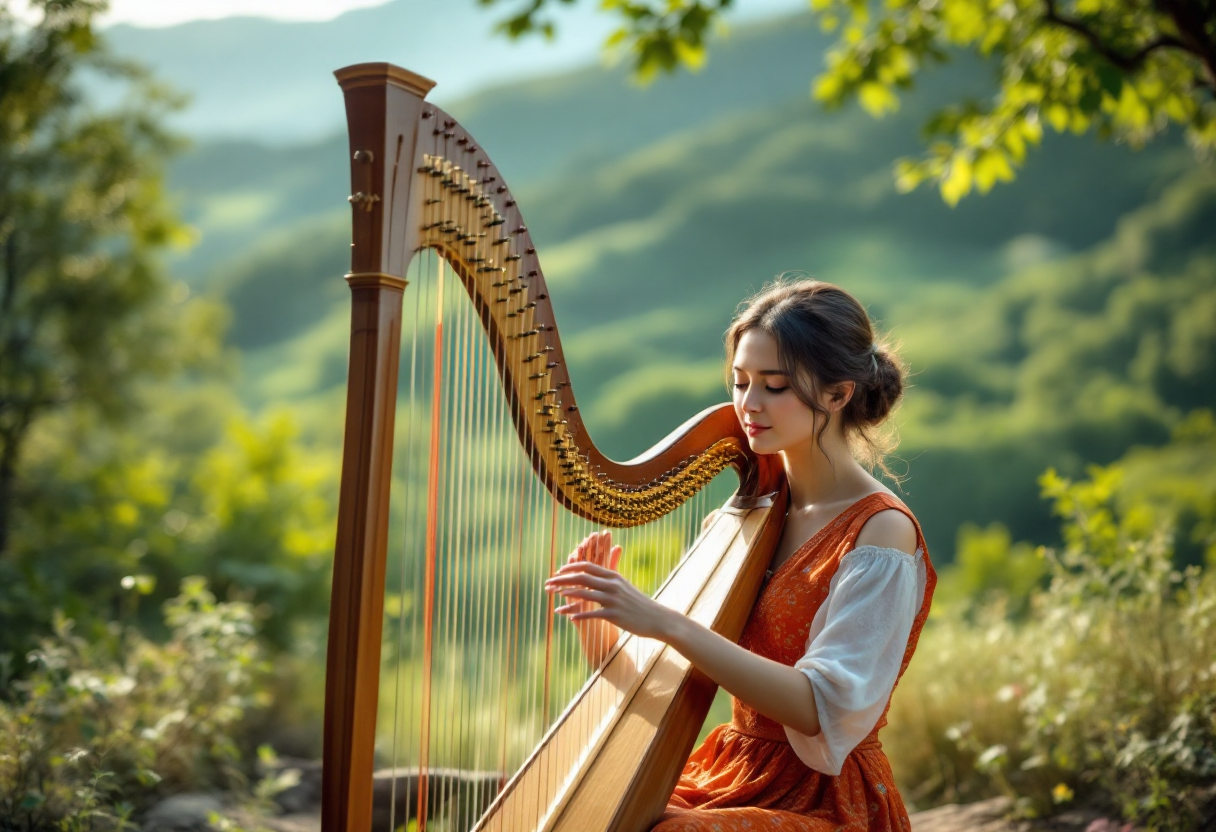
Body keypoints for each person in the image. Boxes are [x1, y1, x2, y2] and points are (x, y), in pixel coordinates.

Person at [543, 278, 937, 831]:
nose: (749, 404)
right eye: (740, 382)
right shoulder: (745, 525)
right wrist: (601, 626)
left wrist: (662, 621)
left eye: (774, 386)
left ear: (838, 394)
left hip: (824, 799)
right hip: (735, 773)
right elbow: (670, 689)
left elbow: (818, 707)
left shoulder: (881, 534)